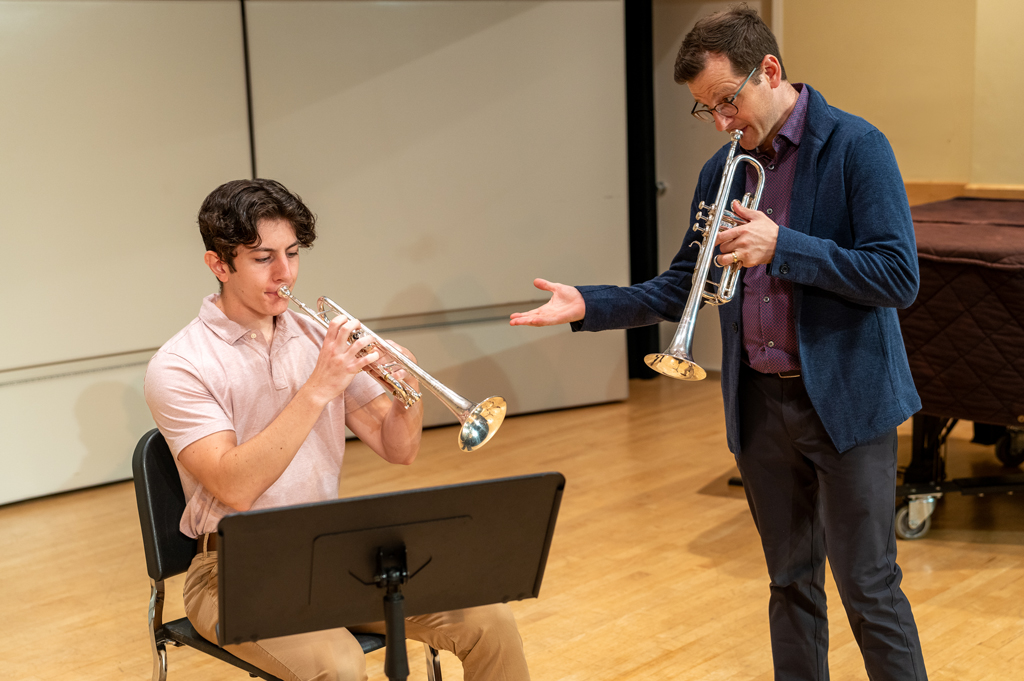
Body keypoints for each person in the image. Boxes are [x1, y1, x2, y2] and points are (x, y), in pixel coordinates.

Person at [510, 6, 927, 681]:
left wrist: (781, 245)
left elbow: (897, 275)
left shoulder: (857, 146)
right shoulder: (722, 170)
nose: (724, 122)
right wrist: (592, 302)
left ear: (770, 69)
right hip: (762, 407)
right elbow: (684, 285)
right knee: (789, 581)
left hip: (846, 405)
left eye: (727, 101)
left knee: (869, 588)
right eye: (707, 111)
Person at [145, 178, 530, 681]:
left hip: (330, 554)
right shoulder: (180, 365)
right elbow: (234, 486)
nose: (285, 273)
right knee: (340, 664)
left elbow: (400, 449)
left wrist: (406, 392)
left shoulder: (313, 335)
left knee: (489, 619)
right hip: (233, 573)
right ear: (220, 265)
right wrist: (319, 388)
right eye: (263, 258)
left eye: (293, 253)